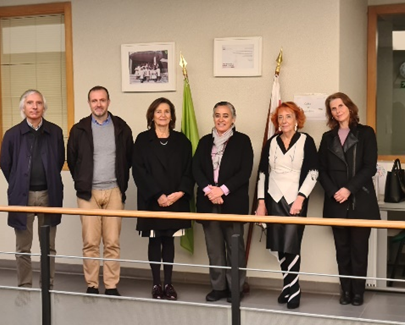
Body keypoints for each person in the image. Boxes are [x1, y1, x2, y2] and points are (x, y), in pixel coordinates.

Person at [67, 85, 133, 296]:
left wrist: (121, 185)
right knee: (90, 242)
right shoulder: (79, 130)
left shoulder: (122, 127)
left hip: (114, 190)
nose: (98, 104)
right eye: (94, 100)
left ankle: (112, 285)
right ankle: (92, 284)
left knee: (112, 242)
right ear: (89, 104)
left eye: (102, 100)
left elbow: (128, 158)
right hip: (88, 194)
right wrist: (82, 182)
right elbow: (73, 160)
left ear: (108, 102)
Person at [318, 92, 380, 306]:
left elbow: (369, 167)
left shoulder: (366, 133)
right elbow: (321, 170)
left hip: (360, 202)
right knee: (342, 251)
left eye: (341, 105)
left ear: (350, 107)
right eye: (333, 108)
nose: (338, 110)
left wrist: (348, 190)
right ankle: (345, 291)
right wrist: (335, 192)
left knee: (359, 251)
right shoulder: (327, 138)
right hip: (336, 202)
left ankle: (358, 293)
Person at [255, 101, 318, 309]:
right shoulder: (272, 142)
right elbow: (263, 173)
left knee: (292, 244)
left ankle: (295, 289)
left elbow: (313, 172)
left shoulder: (306, 141)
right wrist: (261, 202)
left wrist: (301, 198)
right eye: (280, 117)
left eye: (288, 116)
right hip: (273, 198)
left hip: (295, 199)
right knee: (279, 244)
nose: (284, 121)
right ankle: (287, 285)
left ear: (297, 119)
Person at [0, 89, 64, 289]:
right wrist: (19, 182)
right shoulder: (12, 134)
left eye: (38, 103)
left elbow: (59, 161)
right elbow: (6, 164)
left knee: (49, 246)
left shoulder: (55, 132)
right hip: (22, 196)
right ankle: (25, 284)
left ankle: (48, 284)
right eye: (30, 103)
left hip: (48, 194)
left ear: (44, 107)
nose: (34, 106)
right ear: (23, 107)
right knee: (23, 246)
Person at [132, 97, 193, 301]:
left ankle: (168, 283)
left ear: (172, 116)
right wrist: (158, 195)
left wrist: (179, 193)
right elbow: (139, 171)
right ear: (152, 115)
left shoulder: (182, 141)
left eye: (167, 111)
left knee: (169, 241)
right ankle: (156, 284)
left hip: (176, 201)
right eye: (159, 111)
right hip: (152, 200)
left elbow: (189, 170)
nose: (163, 115)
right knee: (154, 240)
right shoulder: (142, 139)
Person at [193, 101, 253, 303]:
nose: (221, 119)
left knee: (235, 248)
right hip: (209, 202)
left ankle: (236, 288)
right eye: (217, 115)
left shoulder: (242, 141)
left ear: (233, 119)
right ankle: (218, 288)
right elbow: (196, 169)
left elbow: (245, 172)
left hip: (233, 203)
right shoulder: (204, 142)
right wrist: (210, 191)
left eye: (225, 115)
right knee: (214, 249)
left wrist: (223, 190)